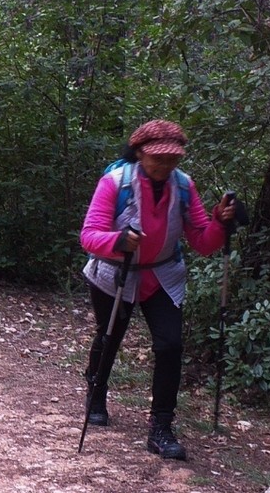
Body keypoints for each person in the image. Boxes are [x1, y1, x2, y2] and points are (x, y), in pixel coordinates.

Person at [79, 119, 235, 461]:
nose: (165, 165)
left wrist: (221, 222)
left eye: (172, 158)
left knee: (170, 345)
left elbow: (203, 243)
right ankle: (96, 391)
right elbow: (89, 235)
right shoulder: (114, 183)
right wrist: (118, 241)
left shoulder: (183, 186)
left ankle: (161, 427)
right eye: (157, 158)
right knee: (109, 338)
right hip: (114, 274)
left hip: (162, 275)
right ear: (139, 153)